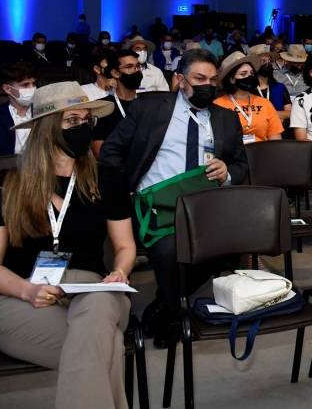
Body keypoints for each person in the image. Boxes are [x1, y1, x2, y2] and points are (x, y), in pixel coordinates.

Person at [0, 82, 134, 409]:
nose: (83, 127)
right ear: (46, 129)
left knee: (98, 314)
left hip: (94, 290)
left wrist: (119, 271)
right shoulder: (6, 185)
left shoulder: (107, 178)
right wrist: (27, 291)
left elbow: (125, 247)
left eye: (86, 120)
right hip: (23, 296)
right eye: (72, 121)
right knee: (105, 345)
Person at [99, 49, 249, 347]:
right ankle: (173, 315)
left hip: (206, 207)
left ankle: (164, 304)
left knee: (231, 248)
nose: (207, 85)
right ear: (180, 79)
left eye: (213, 80)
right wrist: (122, 192)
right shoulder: (150, 108)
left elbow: (242, 165)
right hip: (157, 207)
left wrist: (227, 172)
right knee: (170, 251)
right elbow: (111, 151)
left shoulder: (225, 118)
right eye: (199, 79)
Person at [213, 52, 284, 144]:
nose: (249, 77)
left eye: (252, 73)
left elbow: (275, 138)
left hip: (262, 150)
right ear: (232, 79)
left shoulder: (265, 103)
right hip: (233, 151)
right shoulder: (219, 104)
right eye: (243, 74)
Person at [91, 50, 141, 158]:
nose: (136, 70)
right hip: (116, 165)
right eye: (129, 67)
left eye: (138, 66)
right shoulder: (103, 106)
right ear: (115, 73)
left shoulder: (149, 103)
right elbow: (98, 151)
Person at [0, 61, 38, 156]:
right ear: (7, 89)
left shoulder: (44, 111)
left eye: (33, 83)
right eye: (25, 85)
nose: (33, 88)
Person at [250, 45, 289, 120]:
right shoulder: (248, 90)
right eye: (263, 61)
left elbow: (289, 113)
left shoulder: (280, 87)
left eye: (270, 61)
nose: (268, 63)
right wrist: (278, 114)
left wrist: (266, 114)